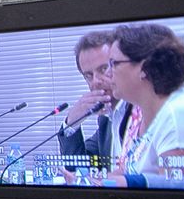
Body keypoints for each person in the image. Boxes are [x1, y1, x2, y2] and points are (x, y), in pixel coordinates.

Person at [103, 22, 184, 189]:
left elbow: (171, 196)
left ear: (144, 67)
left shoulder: (180, 115)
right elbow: (126, 173)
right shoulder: (143, 112)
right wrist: (83, 181)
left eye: (113, 63)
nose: (107, 73)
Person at [55, 29, 133, 164]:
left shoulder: (140, 112)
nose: (96, 81)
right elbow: (79, 168)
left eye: (103, 69)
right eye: (89, 75)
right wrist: (72, 123)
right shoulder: (106, 120)